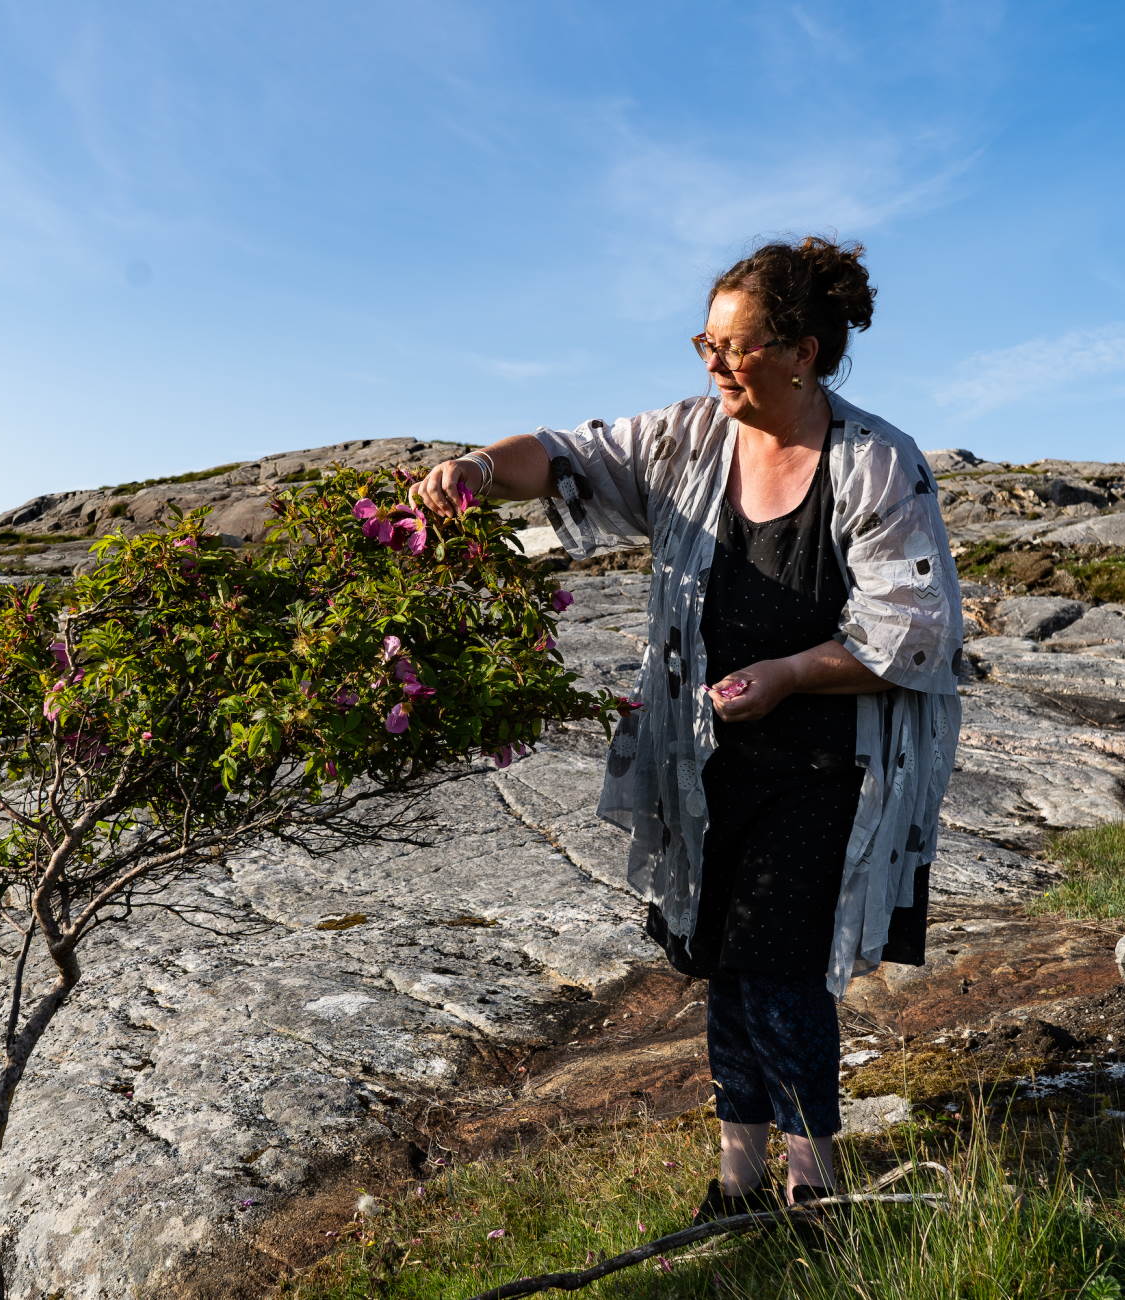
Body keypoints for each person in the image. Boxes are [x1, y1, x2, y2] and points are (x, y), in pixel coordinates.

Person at [410, 236, 963, 1221]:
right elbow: (571, 455)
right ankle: (738, 1179)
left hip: (830, 761)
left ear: (801, 351)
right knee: (722, 963)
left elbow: (911, 631)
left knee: (782, 972)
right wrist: (478, 468)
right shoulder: (686, 439)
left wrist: (790, 675)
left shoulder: (878, 464)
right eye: (702, 342)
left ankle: (812, 1187)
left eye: (733, 346)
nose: (709, 364)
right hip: (704, 757)